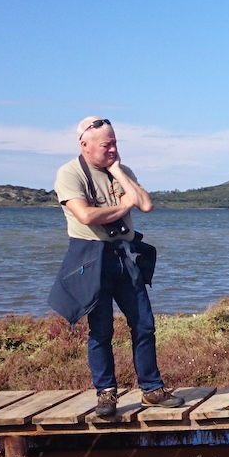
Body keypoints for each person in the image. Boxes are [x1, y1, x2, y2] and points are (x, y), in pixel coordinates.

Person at [48, 117, 183, 417]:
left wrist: (117, 170)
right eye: (106, 145)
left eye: (115, 143)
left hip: (125, 254)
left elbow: (146, 205)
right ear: (84, 145)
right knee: (101, 329)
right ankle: (106, 394)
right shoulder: (69, 174)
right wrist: (124, 206)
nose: (113, 149)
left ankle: (151, 389)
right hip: (89, 257)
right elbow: (86, 216)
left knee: (144, 323)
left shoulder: (121, 171)